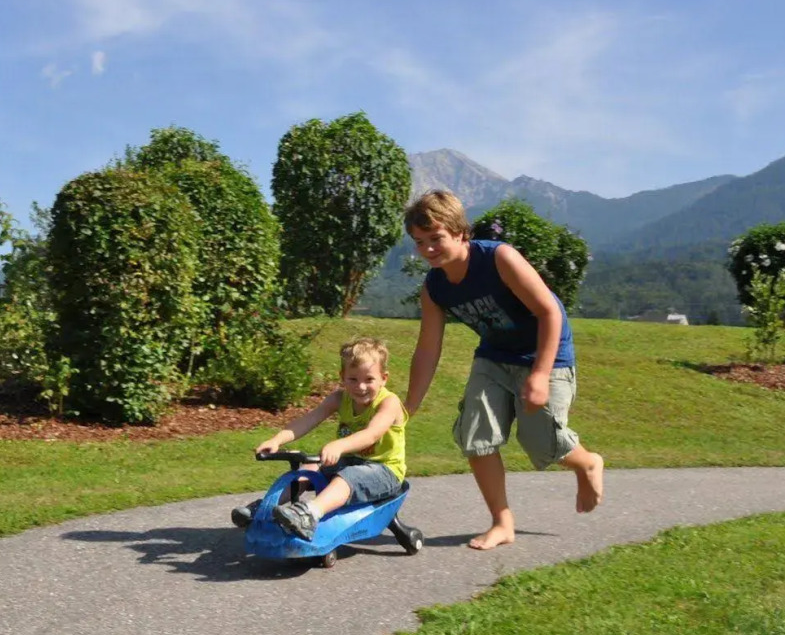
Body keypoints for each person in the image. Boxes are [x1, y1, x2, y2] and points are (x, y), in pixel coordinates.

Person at [402, 190, 604, 550]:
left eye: (436, 239)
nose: (428, 249)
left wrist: (540, 375)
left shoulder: (499, 258)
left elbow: (549, 313)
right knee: (475, 434)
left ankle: (586, 462)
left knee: (541, 441)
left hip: (546, 353)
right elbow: (428, 348)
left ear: (461, 232)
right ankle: (502, 522)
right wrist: (409, 407)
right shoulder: (434, 288)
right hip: (494, 357)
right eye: (420, 242)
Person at [233, 337, 408, 540]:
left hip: (385, 470)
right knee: (309, 468)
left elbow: (372, 434)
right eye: (353, 379)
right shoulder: (339, 398)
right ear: (342, 376)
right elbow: (308, 420)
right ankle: (264, 509)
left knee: (347, 478)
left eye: (369, 379)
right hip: (351, 462)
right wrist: (277, 440)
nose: (360, 387)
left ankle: (309, 514)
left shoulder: (389, 403)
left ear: (384, 378)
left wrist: (340, 445)